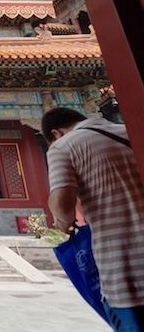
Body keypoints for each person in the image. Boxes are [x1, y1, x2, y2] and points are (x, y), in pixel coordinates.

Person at [43, 107, 144, 330]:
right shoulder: (131, 132)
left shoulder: (63, 145)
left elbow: (63, 204)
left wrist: (61, 221)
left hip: (125, 269)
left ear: (56, 133)